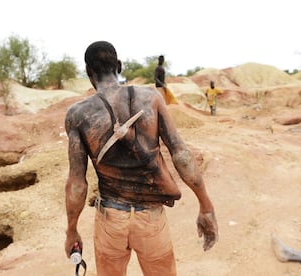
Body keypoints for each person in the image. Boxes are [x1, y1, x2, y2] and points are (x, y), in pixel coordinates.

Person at [64, 41, 218, 276]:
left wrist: (71, 230)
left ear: (88, 72)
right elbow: (181, 155)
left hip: (110, 220)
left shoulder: (77, 114)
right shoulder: (151, 98)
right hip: (151, 219)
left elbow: (77, 183)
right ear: (119, 65)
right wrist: (205, 205)